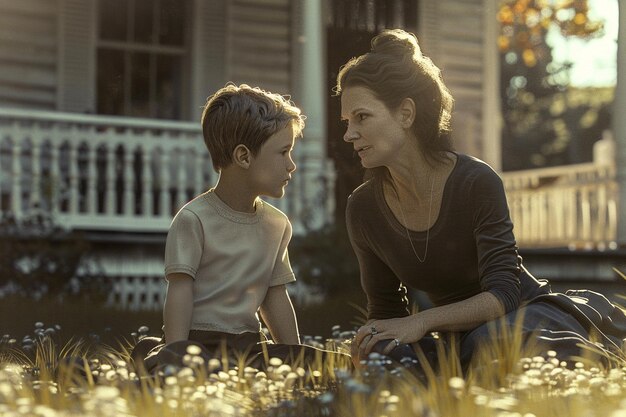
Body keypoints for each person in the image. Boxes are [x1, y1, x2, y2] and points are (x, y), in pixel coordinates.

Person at [336, 29, 626, 374]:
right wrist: (375, 338)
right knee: (382, 355)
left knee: (489, 343)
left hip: (524, 316)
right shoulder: (363, 208)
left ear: (406, 114)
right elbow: (385, 310)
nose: (349, 134)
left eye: (362, 117)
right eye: (346, 121)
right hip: (458, 336)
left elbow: (503, 294)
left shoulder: (475, 181)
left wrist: (423, 322)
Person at [132, 83, 348, 373]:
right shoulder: (193, 219)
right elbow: (180, 291)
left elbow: (275, 296)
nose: (292, 165)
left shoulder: (277, 224)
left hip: (248, 349)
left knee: (336, 365)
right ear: (244, 156)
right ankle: (166, 359)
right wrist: (175, 353)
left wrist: (293, 360)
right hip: (200, 346)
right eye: (283, 152)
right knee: (162, 353)